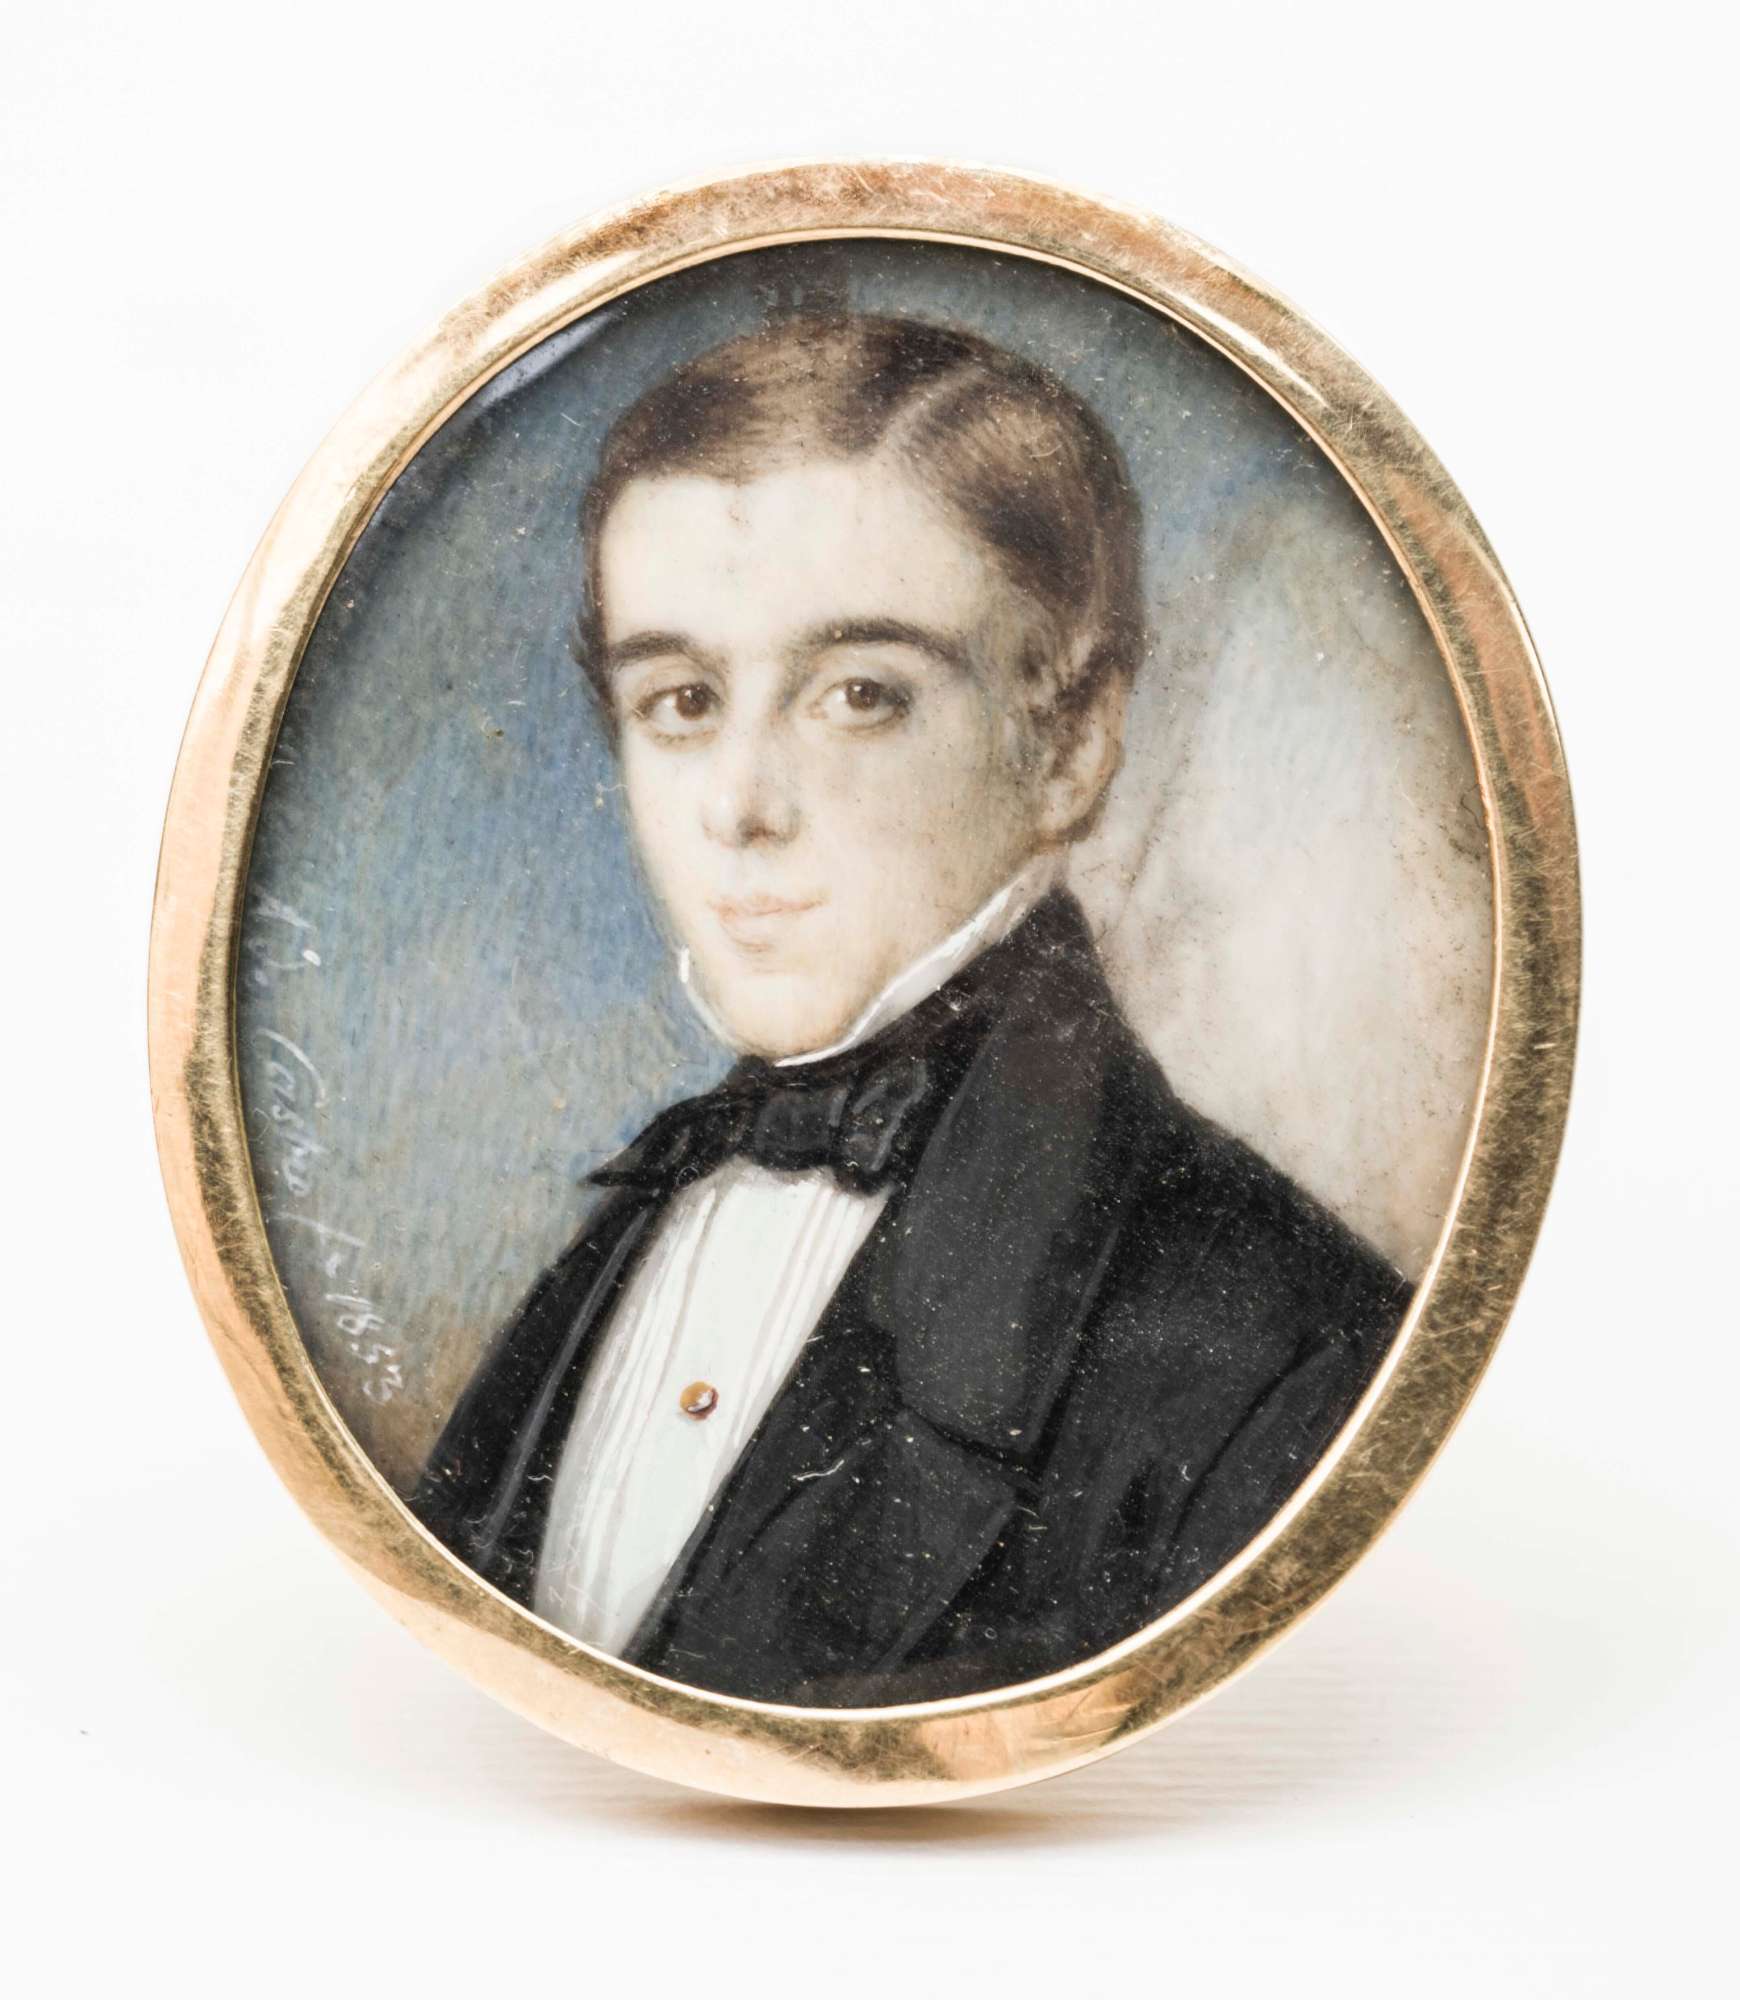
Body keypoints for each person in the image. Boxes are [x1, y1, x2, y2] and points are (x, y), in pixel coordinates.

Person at [412, 314, 1411, 1705]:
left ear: (1070, 744)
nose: (739, 807)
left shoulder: (1285, 1352)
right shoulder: (644, 1227)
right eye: (682, 699)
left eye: (858, 694)